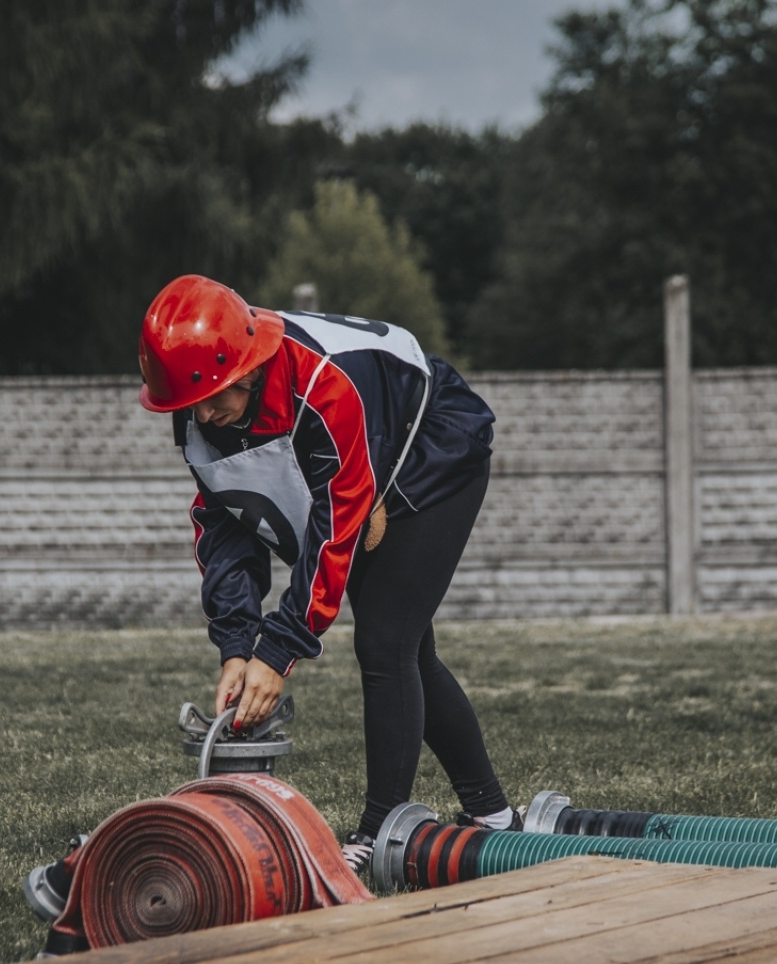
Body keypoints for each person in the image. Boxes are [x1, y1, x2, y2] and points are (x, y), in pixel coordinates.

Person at [139, 274, 520, 872]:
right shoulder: (199, 403)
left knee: (385, 640)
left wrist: (277, 651)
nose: (204, 415)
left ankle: (381, 830)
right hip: (366, 454)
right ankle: (495, 817)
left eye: (215, 398)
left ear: (249, 366)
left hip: (430, 444)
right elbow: (227, 523)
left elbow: (333, 528)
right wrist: (237, 644)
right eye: (191, 405)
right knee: (407, 649)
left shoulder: (323, 386)